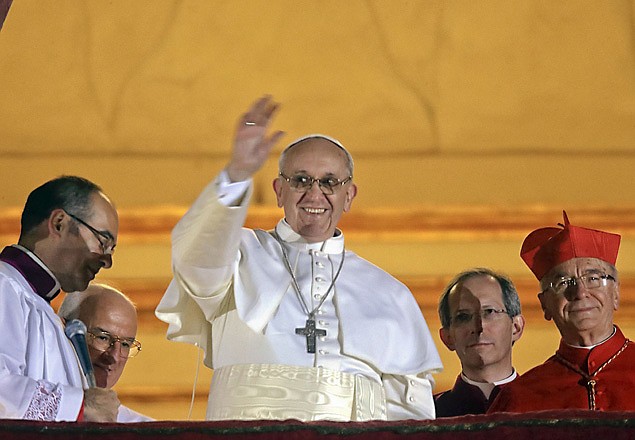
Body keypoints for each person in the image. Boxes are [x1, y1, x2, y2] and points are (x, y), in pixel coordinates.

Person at [155, 95, 443, 421]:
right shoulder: (239, 255)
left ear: (349, 196)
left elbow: (410, 411)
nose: (315, 194)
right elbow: (196, 258)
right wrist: (236, 173)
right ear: (279, 191)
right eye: (301, 180)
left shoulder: (390, 294)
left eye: (330, 182)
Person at [0, 176, 120, 422]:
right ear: (59, 223)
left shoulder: (44, 311)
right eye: (102, 241)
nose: (107, 261)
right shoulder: (5, 286)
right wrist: (81, 406)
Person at [488, 211, 635, 412]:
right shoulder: (520, 397)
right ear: (545, 305)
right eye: (563, 282)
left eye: (593, 279)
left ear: (616, 293)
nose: (580, 292)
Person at [434, 268, 525, 417]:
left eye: (489, 312)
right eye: (463, 316)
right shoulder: (428, 416)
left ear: (516, 327)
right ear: (447, 337)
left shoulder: (550, 410)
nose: (479, 327)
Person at [58, 283, 153, 422]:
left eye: (126, 344)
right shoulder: (28, 403)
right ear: (64, 330)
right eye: (103, 337)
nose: (114, 357)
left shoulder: (140, 430)